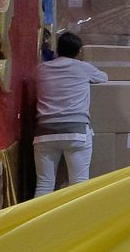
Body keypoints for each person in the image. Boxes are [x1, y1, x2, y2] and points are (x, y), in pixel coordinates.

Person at [33, 31, 108, 196]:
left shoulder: (41, 69)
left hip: (44, 133)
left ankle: (39, 220)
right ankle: (78, 219)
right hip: (76, 133)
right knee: (79, 183)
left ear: (58, 49)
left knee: (44, 184)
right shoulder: (83, 68)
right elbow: (104, 78)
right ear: (79, 51)